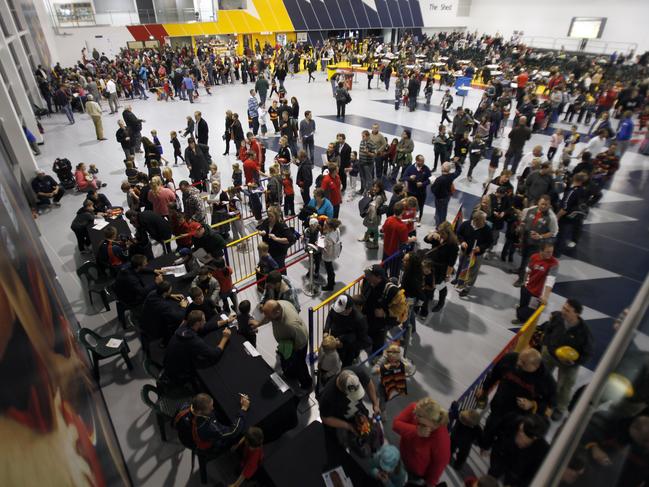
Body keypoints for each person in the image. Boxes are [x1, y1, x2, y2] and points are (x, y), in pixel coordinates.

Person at [477, 348, 556, 449]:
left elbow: (550, 404)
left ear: (535, 366)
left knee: (506, 439)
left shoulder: (546, 381)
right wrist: (485, 389)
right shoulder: (509, 359)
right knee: (490, 427)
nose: (518, 363)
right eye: (519, 359)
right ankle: (484, 446)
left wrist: (532, 404)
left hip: (518, 418)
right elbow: (495, 374)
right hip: (499, 406)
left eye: (523, 363)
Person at [540, 299, 593, 421]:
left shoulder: (585, 333)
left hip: (569, 363)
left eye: (567, 310)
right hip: (550, 353)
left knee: (565, 386)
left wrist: (575, 362)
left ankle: (559, 408)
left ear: (577, 314)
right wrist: (546, 344)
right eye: (563, 308)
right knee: (542, 374)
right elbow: (548, 331)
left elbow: (588, 354)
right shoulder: (557, 317)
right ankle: (539, 395)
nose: (563, 311)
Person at [163, 310, 231, 389]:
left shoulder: (183, 327)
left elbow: (204, 327)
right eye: (204, 320)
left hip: (168, 364)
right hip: (178, 374)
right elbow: (214, 354)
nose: (205, 321)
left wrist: (226, 321)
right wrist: (225, 338)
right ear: (197, 323)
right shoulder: (193, 340)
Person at [392, 398, 451, 487]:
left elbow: (439, 464)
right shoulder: (416, 409)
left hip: (415, 473)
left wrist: (430, 483)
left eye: (422, 423)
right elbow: (395, 425)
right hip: (402, 457)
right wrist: (415, 431)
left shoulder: (441, 439)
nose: (415, 418)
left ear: (434, 424)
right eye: (416, 414)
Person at [318, 368, 381, 447]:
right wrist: (348, 426)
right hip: (340, 419)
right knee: (341, 441)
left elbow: (368, 383)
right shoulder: (327, 397)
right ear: (342, 390)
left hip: (358, 410)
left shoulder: (356, 373)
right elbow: (325, 418)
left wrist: (375, 403)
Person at [259, 300, 312, 391]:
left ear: (277, 312)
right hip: (286, 343)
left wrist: (290, 351)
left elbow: (302, 339)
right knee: (287, 362)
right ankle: (291, 375)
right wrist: (258, 324)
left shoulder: (291, 324)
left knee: (300, 366)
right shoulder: (279, 305)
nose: (266, 317)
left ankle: (306, 385)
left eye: (268, 316)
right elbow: (267, 317)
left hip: (298, 347)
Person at [488, 413, 550, 487]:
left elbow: (531, 475)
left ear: (534, 438)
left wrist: (515, 485)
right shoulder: (512, 421)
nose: (519, 432)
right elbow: (497, 432)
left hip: (515, 476)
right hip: (498, 463)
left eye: (522, 433)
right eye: (520, 429)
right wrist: (486, 446)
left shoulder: (543, 450)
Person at [174, 392, 249, 453]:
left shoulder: (184, 406)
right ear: (200, 412)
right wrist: (243, 409)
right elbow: (233, 431)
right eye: (210, 408)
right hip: (200, 445)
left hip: (184, 437)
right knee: (234, 438)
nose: (212, 408)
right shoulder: (209, 427)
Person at [514, 195, 558, 286]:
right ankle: (520, 270)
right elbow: (524, 221)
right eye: (542, 204)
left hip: (537, 244)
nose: (544, 206)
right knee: (524, 257)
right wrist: (521, 227)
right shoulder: (531, 209)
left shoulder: (551, 217)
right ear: (538, 202)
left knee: (529, 261)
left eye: (546, 205)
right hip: (526, 240)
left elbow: (553, 232)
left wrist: (541, 236)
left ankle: (522, 279)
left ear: (549, 205)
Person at [513, 242, 558, 324]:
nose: (550, 254)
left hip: (537, 294)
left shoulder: (554, 263)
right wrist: (524, 282)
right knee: (523, 304)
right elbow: (528, 270)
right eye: (548, 252)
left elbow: (550, 281)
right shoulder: (534, 257)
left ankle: (521, 314)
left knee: (530, 310)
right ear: (541, 251)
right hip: (526, 288)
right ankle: (520, 318)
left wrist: (545, 296)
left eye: (551, 252)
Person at [421, 222, 459, 315]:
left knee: (440, 285)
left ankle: (441, 302)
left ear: (449, 234)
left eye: (443, 234)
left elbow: (451, 263)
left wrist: (447, 275)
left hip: (442, 269)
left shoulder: (453, 246)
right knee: (430, 282)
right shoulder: (437, 238)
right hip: (431, 266)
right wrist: (430, 235)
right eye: (440, 232)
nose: (441, 235)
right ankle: (430, 296)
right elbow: (425, 240)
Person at [324, 293, 371, 367]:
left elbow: (362, 340)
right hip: (334, 340)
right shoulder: (338, 306)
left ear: (349, 309)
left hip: (348, 349)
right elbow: (330, 315)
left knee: (346, 365)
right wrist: (326, 331)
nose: (337, 312)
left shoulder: (359, 320)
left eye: (340, 311)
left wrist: (343, 345)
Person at [454, 210, 493, 297]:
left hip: (476, 255)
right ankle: (458, 280)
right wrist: (462, 241)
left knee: (472, 272)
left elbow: (489, 242)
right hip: (464, 251)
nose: (485, 222)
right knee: (461, 266)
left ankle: (467, 288)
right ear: (476, 220)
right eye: (483, 220)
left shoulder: (487, 229)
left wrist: (480, 248)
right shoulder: (466, 224)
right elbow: (459, 233)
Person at [140, 280, 187, 346]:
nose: (171, 290)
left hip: (144, 320)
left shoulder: (152, 293)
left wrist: (170, 295)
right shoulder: (164, 306)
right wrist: (183, 307)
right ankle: (165, 343)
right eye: (170, 290)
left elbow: (160, 295)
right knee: (175, 323)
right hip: (154, 328)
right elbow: (178, 317)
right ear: (165, 292)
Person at [381, 202, 417, 274]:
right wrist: (413, 239)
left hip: (386, 249)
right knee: (394, 272)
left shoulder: (388, 219)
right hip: (396, 253)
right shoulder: (402, 227)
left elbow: (383, 230)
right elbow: (405, 241)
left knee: (383, 267)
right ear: (403, 212)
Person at [257, 206, 295, 271]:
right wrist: (261, 232)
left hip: (278, 253)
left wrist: (276, 238)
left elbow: (290, 239)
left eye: (271, 216)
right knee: (269, 269)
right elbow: (260, 228)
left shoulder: (281, 225)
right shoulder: (267, 221)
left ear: (276, 215)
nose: (269, 218)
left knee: (279, 269)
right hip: (268, 251)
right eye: (268, 216)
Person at [401, 154, 431, 222]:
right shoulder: (410, 168)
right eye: (421, 161)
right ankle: (409, 218)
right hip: (411, 192)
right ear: (417, 161)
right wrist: (410, 178)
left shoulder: (426, 169)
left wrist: (423, 184)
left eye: (423, 161)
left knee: (420, 207)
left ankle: (418, 220)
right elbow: (403, 177)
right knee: (410, 206)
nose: (423, 163)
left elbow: (430, 179)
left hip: (421, 193)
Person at [431, 161, 462, 226]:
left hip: (439, 198)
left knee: (439, 212)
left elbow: (434, 190)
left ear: (442, 168)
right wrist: (456, 163)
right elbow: (459, 171)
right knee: (444, 210)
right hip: (447, 196)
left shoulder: (439, 179)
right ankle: (442, 222)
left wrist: (432, 184)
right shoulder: (451, 176)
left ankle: (439, 225)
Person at [360, 181, 387, 250]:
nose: (374, 188)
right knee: (370, 228)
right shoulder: (377, 194)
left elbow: (373, 208)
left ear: (380, 188)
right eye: (374, 186)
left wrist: (372, 219)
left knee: (374, 230)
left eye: (377, 187)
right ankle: (366, 237)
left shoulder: (379, 197)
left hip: (374, 216)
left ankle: (375, 244)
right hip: (373, 215)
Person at [321, 218, 342, 291]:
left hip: (329, 255)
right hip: (336, 250)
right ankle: (332, 281)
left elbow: (328, 251)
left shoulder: (328, 237)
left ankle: (330, 285)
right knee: (330, 268)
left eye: (325, 226)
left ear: (330, 227)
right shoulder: (337, 230)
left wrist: (322, 246)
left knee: (329, 269)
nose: (324, 227)